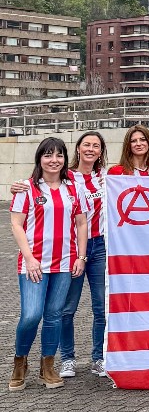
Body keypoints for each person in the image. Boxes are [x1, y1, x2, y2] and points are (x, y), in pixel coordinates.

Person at [9, 137, 87, 390]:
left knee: (54, 316)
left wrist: (81, 256)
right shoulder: (26, 188)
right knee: (31, 315)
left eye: (59, 155)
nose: (54, 160)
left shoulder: (74, 188)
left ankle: (48, 366)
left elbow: (82, 223)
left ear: (65, 159)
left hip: (64, 263)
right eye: (48, 155)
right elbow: (16, 224)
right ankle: (20, 362)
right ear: (39, 158)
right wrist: (29, 258)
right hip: (34, 265)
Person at [58, 132, 107, 379]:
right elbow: (37, 183)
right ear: (78, 148)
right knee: (68, 308)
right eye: (86, 144)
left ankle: (98, 358)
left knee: (101, 307)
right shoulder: (64, 176)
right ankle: (67, 358)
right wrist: (18, 186)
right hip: (74, 247)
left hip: (100, 246)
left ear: (101, 151)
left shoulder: (106, 176)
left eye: (95, 146)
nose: (90, 149)